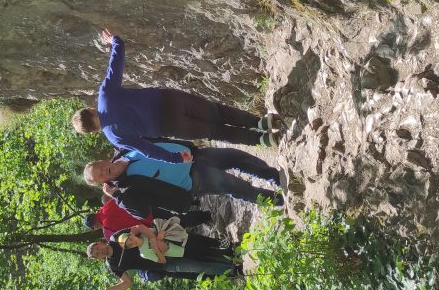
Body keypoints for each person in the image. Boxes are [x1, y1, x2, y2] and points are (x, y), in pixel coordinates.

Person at [73, 29, 281, 158]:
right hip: (168, 100)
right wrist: (115, 41)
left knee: (215, 132)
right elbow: (115, 66)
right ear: (89, 109)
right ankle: (261, 122)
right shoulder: (105, 96)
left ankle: (262, 141)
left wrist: (174, 158)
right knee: (216, 112)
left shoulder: (114, 137)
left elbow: (147, 149)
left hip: (169, 126)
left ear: (93, 132)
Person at [84, 139, 283, 212]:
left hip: (194, 155)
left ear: (102, 161)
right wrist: (117, 197)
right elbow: (141, 212)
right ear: (103, 182)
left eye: (99, 167)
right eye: (99, 175)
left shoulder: (124, 149)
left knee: (237, 157)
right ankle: (278, 200)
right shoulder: (126, 189)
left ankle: (277, 177)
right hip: (193, 179)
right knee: (238, 187)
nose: (103, 171)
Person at [87, 233, 235, 290]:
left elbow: (137, 230)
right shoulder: (113, 265)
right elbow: (127, 283)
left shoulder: (115, 238)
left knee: (198, 251)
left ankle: (231, 255)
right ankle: (233, 269)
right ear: (98, 259)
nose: (100, 253)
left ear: (100, 243)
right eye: (97, 255)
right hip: (162, 265)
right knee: (197, 267)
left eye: (98, 249)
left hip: (164, 245)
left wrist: (157, 239)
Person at [84, 197, 212, 241]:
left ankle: (206, 216)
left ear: (94, 226)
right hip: (147, 207)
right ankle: (199, 208)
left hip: (147, 221)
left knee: (177, 223)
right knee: (173, 211)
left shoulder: (108, 225)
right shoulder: (107, 205)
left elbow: (130, 226)